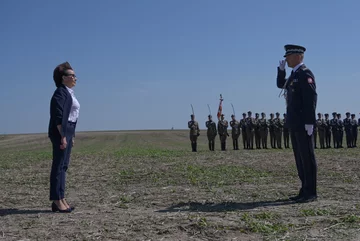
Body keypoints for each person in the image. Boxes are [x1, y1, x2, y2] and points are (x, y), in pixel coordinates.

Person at [277, 44, 318, 203]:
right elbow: (282, 85)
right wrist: (281, 72)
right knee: (300, 158)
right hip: (294, 122)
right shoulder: (294, 74)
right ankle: (304, 189)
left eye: (288, 56)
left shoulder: (305, 74)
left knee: (307, 157)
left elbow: (310, 99)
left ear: (298, 56)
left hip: (303, 123)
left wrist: (309, 122)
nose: (286, 59)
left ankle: (311, 192)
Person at [48, 61, 80, 213]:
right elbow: (58, 116)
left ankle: (61, 198)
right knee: (59, 166)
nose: (75, 78)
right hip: (60, 131)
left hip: (67, 131)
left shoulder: (68, 92)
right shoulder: (60, 93)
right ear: (63, 78)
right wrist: (63, 136)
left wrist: (71, 135)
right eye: (72, 75)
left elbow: (72, 116)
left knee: (64, 166)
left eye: (75, 75)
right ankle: (56, 199)